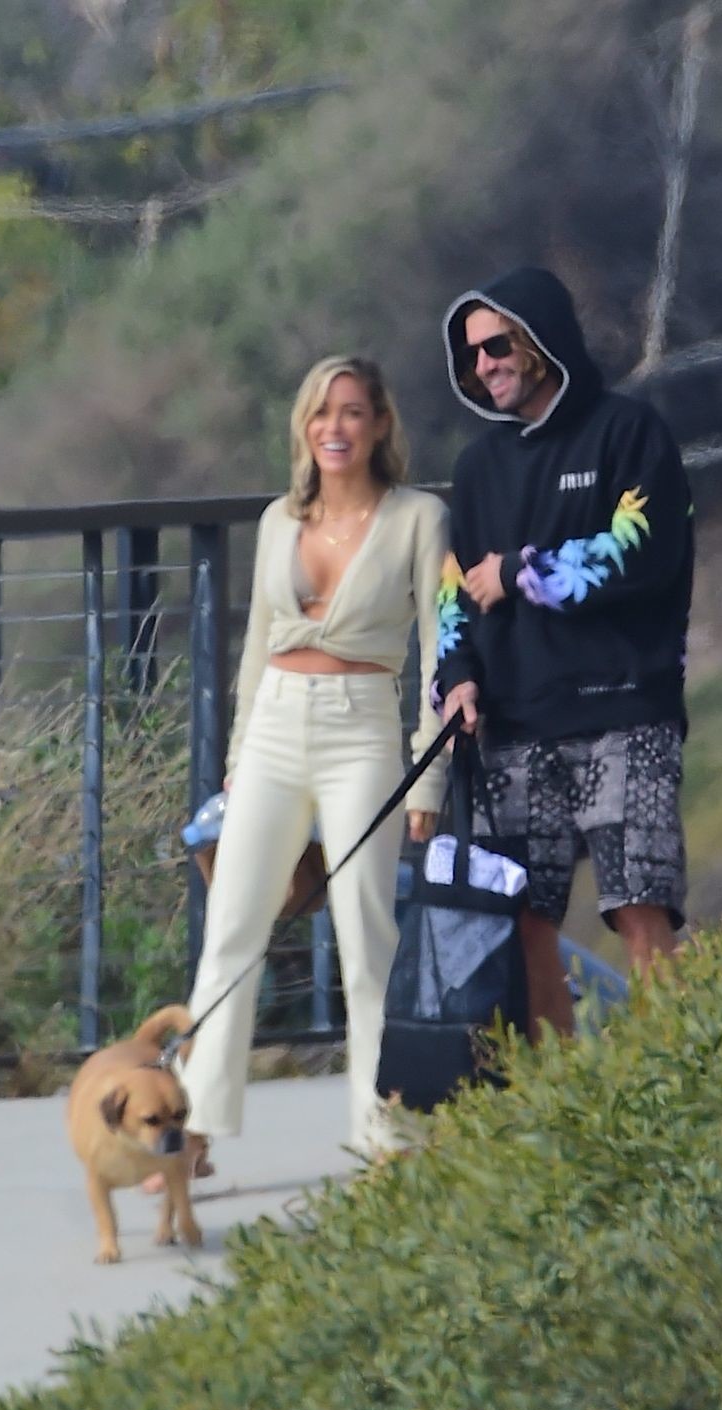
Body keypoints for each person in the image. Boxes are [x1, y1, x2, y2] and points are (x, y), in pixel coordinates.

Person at [176, 355, 449, 1169]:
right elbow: (257, 645)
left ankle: (384, 1133)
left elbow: (441, 649)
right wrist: (237, 756)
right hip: (273, 728)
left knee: (367, 937)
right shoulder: (277, 521)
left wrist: (429, 771)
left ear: (380, 424)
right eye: (322, 412)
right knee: (232, 926)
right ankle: (193, 1127)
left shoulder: (419, 518)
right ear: (304, 426)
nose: (336, 427)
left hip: (362, 728)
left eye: (353, 411)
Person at [433, 266, 695, 1039]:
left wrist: (520, 572)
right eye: (471, 355)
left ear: (541, 341)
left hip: (626, 711)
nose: (484, 365)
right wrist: (456, 680)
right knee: (524, 921)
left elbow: (643, 549)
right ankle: (558, 1093)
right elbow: (454, 591)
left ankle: (672, 1077)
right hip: (513, 724)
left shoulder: (631, 432)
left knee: (641, 906)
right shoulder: (477, 468)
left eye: (497, 346)